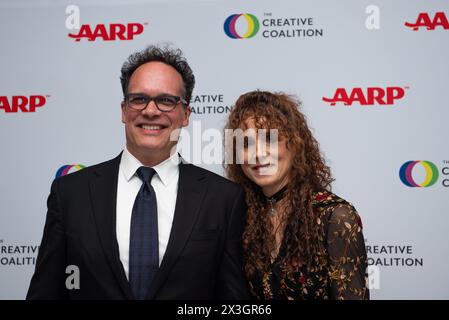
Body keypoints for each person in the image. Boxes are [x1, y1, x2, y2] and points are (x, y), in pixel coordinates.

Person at [27, 45, 250, 300]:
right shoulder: (70, 194)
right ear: (124, 110)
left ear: (186, 114)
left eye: (166, 100)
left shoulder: (222, 198)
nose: (151, 111)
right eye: (139, 99)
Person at [224, 90, 369, 300]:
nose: (258, 153)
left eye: (269, 139)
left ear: (296, 143)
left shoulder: (335, 216)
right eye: (246, 144)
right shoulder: (240, 217)